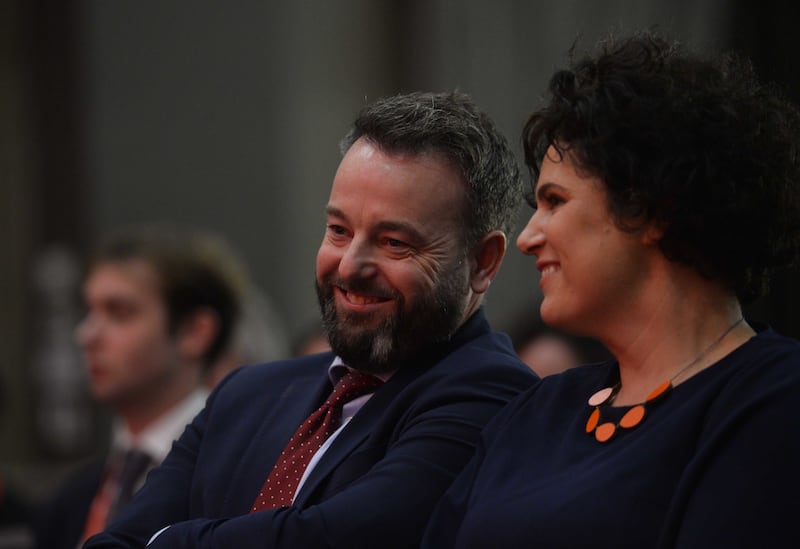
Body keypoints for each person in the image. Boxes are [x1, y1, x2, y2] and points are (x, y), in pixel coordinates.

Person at [84, 91, 537, 548]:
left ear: (483, 261)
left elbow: (330, 540)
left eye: (394, 242)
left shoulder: (495, 397)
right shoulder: (244, 395)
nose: (348, 266)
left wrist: (162, 543)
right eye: (339, 231)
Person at [422, 31, 800, 547]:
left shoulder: (773, 400)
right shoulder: (537, 410)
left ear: (649, 209)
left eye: (555, 201)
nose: (528, 237)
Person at [34, 225, 248, 549]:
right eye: (89, 311)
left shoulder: (239, 472)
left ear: (195, 332)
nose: (86, 335)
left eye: (119, 313)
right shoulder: (74, 497)